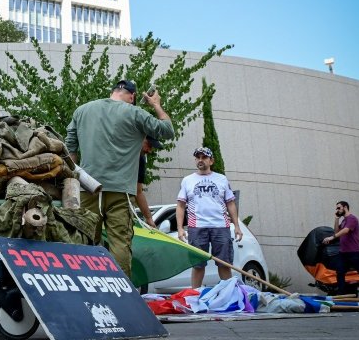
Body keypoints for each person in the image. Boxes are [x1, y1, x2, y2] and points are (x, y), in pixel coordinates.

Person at [65, 80, 174, 277]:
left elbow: (70, 148)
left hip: (87, 188)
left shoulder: (82, 110)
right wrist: (156, 104)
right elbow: (167, 130)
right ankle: (120, 292)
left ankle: (83, 288)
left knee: (84, 241)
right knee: (120, 244)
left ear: (114, 91)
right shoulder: (135, 113)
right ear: (132, 97)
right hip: (120, 191)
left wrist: (72, 180)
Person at [176, 147, 241, 289]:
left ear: (211, 160)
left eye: (204, 157)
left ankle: (228, 294)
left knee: (224, 264)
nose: (200, 160)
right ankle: (195, 296)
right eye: (197, 157)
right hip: (196, 227)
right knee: (198, 265)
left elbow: (230, 203)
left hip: (221, 226)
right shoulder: (187, 180)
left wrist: (237, 226)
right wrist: (180, 228)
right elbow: (181, 205)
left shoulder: (222, 179)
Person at [135, 136, 164, 228]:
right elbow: (137, 192)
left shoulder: (141, 159)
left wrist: (149, 218)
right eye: (149, 145)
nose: (149, 150)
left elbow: (137, 191)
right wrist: (148, 218)